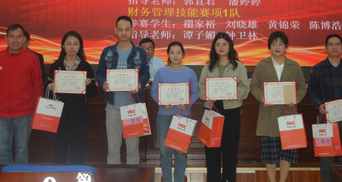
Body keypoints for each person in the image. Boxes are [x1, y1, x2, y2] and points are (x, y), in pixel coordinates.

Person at [250, 31, 307, 182]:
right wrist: (262, 97)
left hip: (288, 112)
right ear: (269, 46)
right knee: (270, 153)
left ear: (286, 47)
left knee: (287, 151)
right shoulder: (262, 65)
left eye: (281, 44)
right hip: (268, 113)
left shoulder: (294, 65)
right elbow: (254, 85)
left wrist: (296, 98)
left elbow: (302, 86)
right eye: (274, 44)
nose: (277, 47)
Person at [308, 34, 342, 182]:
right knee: (326, 157)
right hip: (327, 120)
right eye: (331, 44)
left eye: (337, 44)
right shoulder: (318, 68)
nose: (334, 47)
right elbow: (311, 90)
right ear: (326, 48)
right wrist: (319, 104)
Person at [96, 16, 150, 164]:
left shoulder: (140, 52)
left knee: (133, 148)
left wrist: (140, 83)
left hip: (133, 105)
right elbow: (100, 72)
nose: (124, 33)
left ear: (132, 30)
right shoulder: (107, 51)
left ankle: (133, 175)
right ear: (115, 31)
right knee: (113, 147)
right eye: (120, 29)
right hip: (112, 105)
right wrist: (103, 83)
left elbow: (145, 73)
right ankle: (113, 175)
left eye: (127, 29)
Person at [198, 32, 250, 182]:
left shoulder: (238, 66)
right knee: (211, 150)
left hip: (231, 111)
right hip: (212, 110)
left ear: (230, 46)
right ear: (214, 47)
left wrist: (234, 93)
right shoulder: (208, 67)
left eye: (224, 44)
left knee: (230, 151)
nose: (221, 47)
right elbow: (201, 89)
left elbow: (245, 88)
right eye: (218, 44)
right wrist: (207, 95)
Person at [0, 23, 43, 164]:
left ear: (24, 39)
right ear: (6, 38)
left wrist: (38, 110)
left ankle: (20, 175)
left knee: (22, 150)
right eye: (11, 37)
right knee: (2, 151)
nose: (15, 40)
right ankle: (6, 175)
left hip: (25, 113)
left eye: (19, 37)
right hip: (1, 114)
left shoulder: (32, 58)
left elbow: (37, 86)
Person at [151, 41, 199, 182]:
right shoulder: (161, 72)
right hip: (164, 116)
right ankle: (167, 179)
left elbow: (195, 93)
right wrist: (162, 102)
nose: (175, 55)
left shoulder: (190, 73)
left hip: (182, 116)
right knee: (165, 152)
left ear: (183, 54)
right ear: (168, 55)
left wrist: (187, 103)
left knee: (180, 152)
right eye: (172, 52)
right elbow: (154, 92)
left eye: (178, 52)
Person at [47, 31, 98, 164]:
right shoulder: (56, 66)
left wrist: (88, 85)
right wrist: (50, 86)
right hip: (58, 115)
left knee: (78, 150)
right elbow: (46, 89)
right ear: (63, 46)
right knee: (59, 150)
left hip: (79, 115)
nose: (71, 47)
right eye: (68, 43)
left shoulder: (85, 66)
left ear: (80, 46)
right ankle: (60, 174)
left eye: (75, 44)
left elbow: (93, 93)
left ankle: (76, 173)